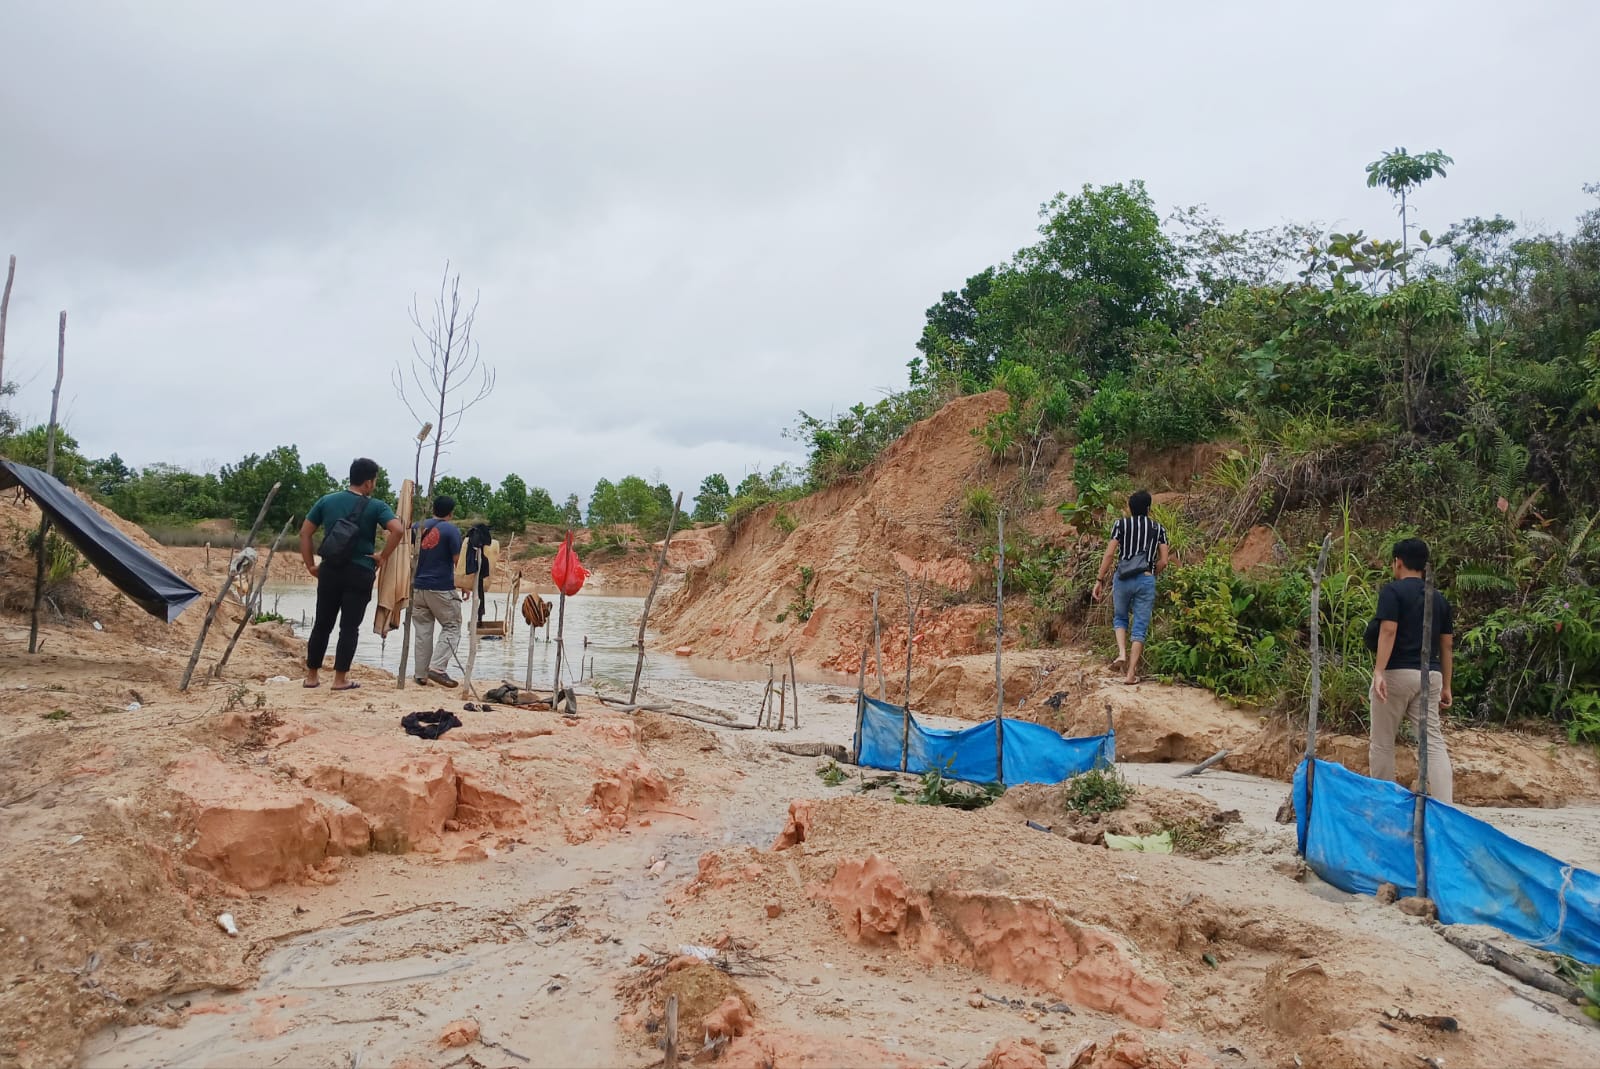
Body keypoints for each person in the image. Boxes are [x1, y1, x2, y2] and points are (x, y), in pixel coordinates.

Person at [300, 458, 404, 691]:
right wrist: (383, 555)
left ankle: (312, 676)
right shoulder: (376, 506)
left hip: (330, 569)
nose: (374, 486)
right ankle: (339, 679)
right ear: (368, 483)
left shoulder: (327, 501)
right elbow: (397, 530)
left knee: (322, 624)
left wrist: (310, 565)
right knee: (349, 627)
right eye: (374, 481)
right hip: (360, 571)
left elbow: (305, 533)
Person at [1369, 537, 1455, 802]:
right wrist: (1447, 686)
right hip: (1431, 676)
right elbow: (1446, 645)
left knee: (1383, 741)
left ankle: (1383, 802)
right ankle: (1445, 806)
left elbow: (1388, 629)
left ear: (1398, 562)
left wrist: (1379, 671)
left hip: (1397, 673)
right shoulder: (1438, 598)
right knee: (1433, 742)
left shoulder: (1392, 592)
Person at [1091, 490, 1169, 685]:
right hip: (1145, 578)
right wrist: (1152, 573)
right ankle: (1131, 674)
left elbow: (1109, 554)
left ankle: (1121, 653)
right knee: (1140, 626)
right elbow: (1164, 561)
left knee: (1120, 617)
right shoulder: (1158, 529)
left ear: (1130, 509)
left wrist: (1099, 580)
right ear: (1149, 509)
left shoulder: (1121, 524)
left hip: (1123, 578)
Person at [411, 495, 466, 687]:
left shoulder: (417, 527)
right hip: (441, 587)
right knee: (452, 626)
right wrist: (465, 584)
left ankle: (421, 674)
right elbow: (458, 561)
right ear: (451, 512)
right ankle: (437, 667)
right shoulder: (451, 530)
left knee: (423, 631)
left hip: (417, 587)